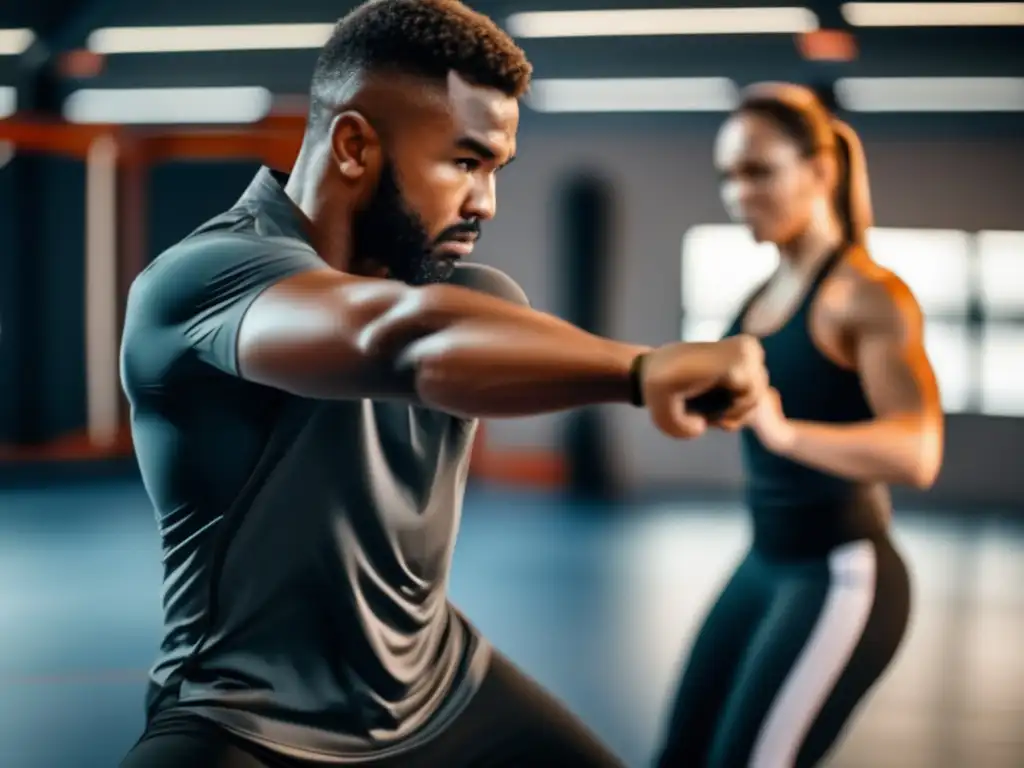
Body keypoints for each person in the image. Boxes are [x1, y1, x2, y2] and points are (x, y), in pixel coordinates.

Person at [117, 2, 768, 766]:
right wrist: (640, 369)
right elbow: (396, 344)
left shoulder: (479, 299)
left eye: (496, 170)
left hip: (443, 694)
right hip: (247, 721)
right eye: (464, 162)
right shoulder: (204, 282)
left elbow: (441, 332)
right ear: (355, 145)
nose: (485, 202)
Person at [656, 83, 944, 768]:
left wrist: (785, 435)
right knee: (678, 757)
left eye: (758, 172)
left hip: (840, 572)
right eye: (728, 175)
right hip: (764, 562)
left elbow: (918, 449)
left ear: (819, 171)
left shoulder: (866, 294)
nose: (736, 194)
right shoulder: (762, 293)